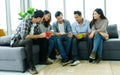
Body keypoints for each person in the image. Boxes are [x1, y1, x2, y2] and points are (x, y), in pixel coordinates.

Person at [10, 10, 45, 74]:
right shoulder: (26, 21)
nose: (42, 21)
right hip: (17, 41)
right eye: (42, 19)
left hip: (27, 40)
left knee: (43, 39)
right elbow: (24, 36)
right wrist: (39, 35)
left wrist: (44, 35)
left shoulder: (36, 24)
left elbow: (39, 34)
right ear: (38, 18)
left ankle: (43, 60)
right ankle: (31, 67)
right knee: (28, 41)